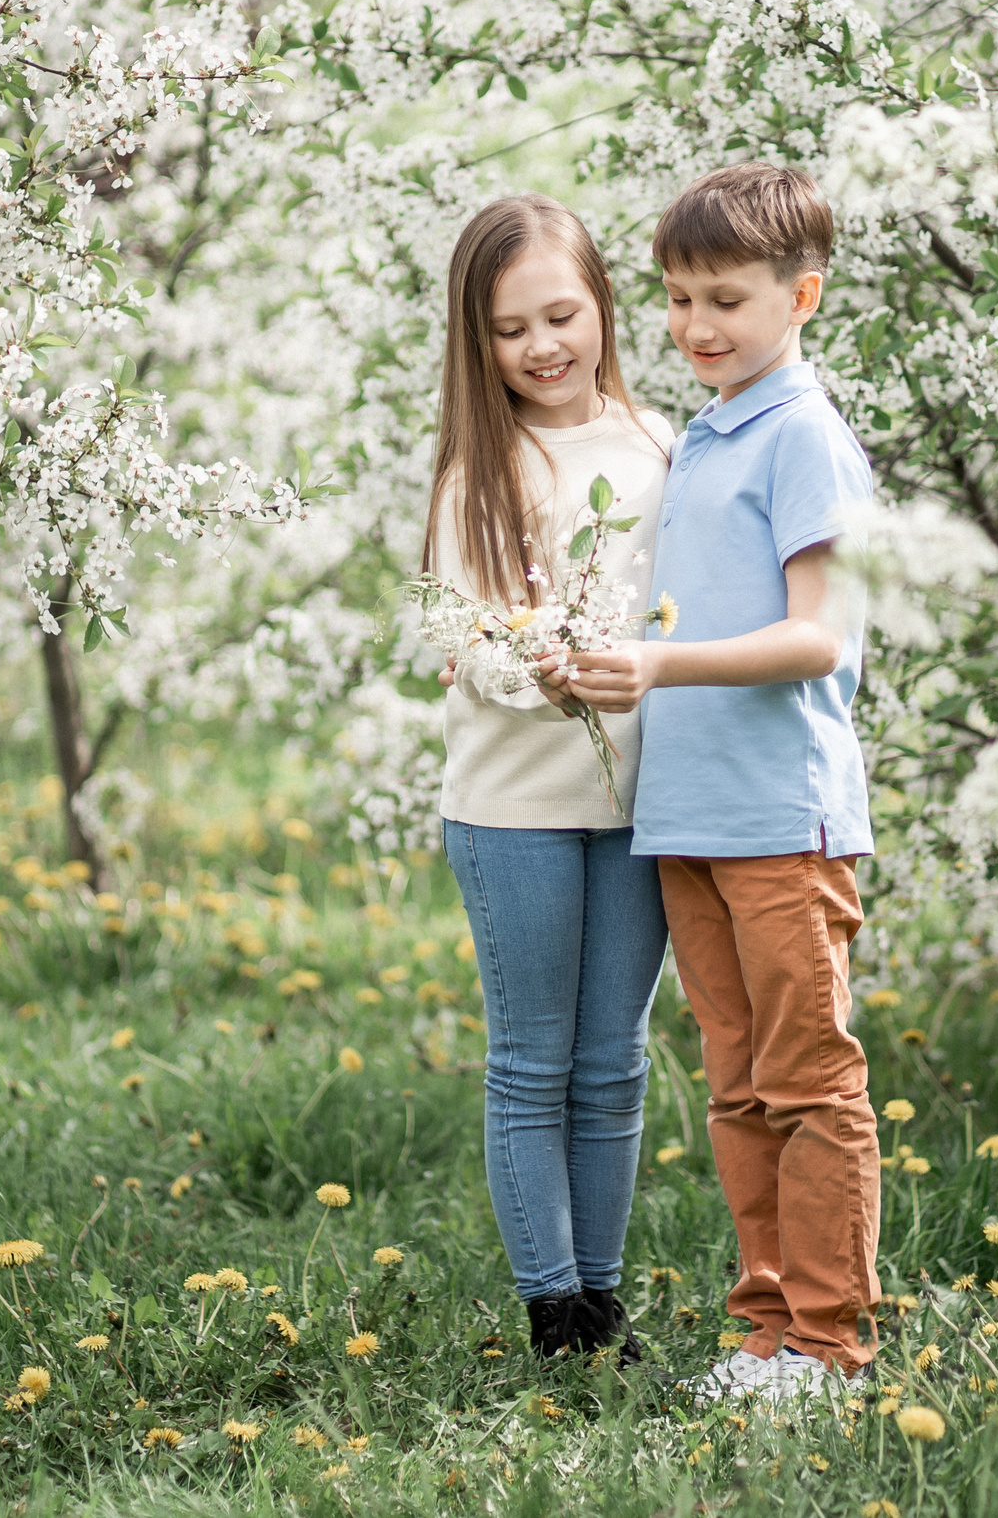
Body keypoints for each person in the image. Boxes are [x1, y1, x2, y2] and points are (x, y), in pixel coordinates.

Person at [543, 163, 880, 1401]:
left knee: (808, 1087)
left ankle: (833, 1349)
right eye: (678, 298)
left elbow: (819, 637)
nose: (695, 327)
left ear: (802, 296)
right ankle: (765, 1335)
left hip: (779, 823)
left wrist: (658, 663)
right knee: (738, 1090)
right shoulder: (707, 431)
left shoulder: (802, 435)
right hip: (685, 818)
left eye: (725, 300)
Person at [425, 194, 676, 1362]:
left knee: (612, 1063)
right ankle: (553, 1310)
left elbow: (687, 617)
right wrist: (540, 671)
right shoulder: (483, 470)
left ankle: (603, 1299)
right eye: (510, 329)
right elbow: (460, 640)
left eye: (561, 315)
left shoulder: (662, 449)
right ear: (477, 343)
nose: (542, 346)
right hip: (514, 809)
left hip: (634, 809)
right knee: (532, 1059)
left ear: (602, 305)